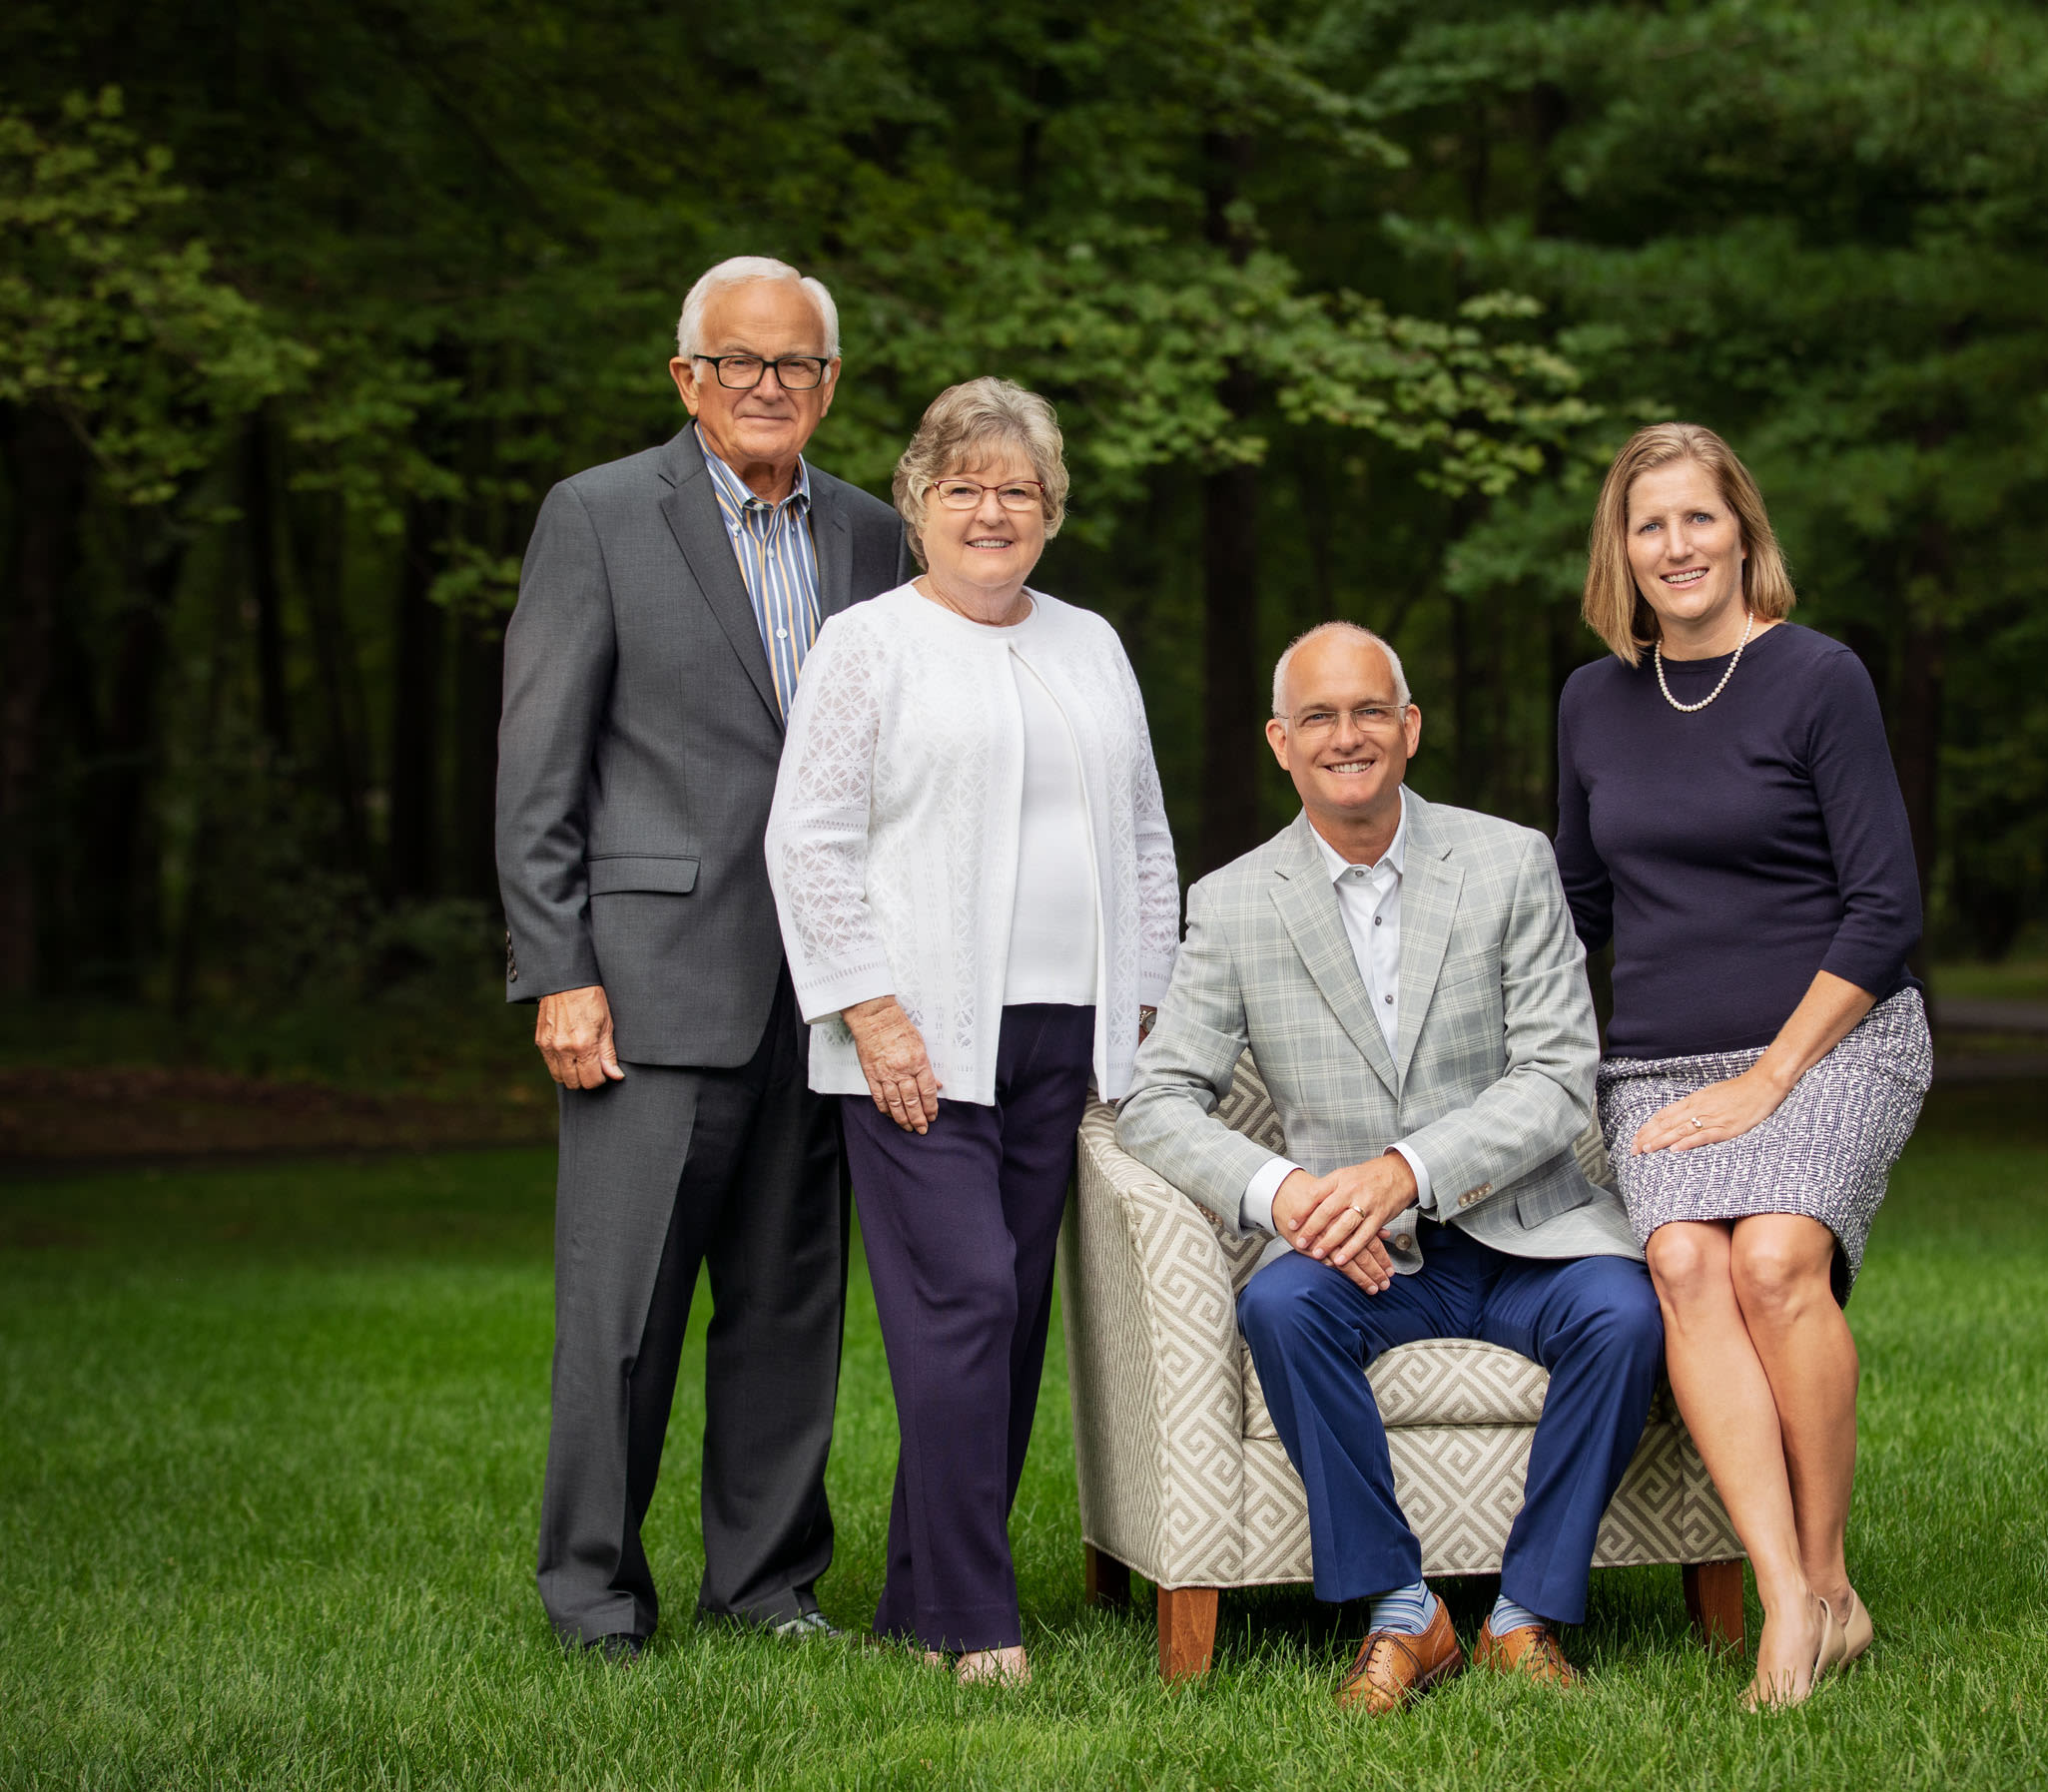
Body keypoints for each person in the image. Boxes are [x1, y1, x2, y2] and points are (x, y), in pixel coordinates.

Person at [1117, 622, 1662, 1714]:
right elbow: (1155, 1099)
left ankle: (1526, 1615)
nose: (1346, 734)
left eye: (1370, 710)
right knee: (1278, 1305)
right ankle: (1405, 1611)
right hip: (1356, 1258)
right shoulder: (1231, 901)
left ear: (1409, 728)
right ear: (1281, 741)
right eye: (1317, 716)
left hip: (1527, 1233)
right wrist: (1293, 1196)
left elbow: (1559, 1074)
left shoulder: (1509, 862)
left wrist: (1403, 1172)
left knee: (1627, 1313)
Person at [497, 257, 910, 1657]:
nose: (766, 387)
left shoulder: (872, 533)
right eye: (737, 362)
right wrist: (558, 964)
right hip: (650, 984)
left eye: (794, 365)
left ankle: (769, 1586)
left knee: (791, 1312)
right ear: (687, 376)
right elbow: (538, 763)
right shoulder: (600, 516)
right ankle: (595, 1599)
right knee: (620, 1324)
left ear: (830, 384)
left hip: (825, 993)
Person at [765, 375, 1178, 1686]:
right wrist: (870, 1009)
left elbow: (1146, 835)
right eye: (964, 487)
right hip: (920, 1038)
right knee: (967, 1301)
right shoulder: (867, 644)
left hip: (1070, 1038)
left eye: (1017, 490)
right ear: (917, 502)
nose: (990, 509)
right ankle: (972, 1618)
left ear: (1050, 513)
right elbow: (808, 837)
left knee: (1005, 1325)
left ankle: (917, 1592)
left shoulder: (1092, 641)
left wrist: (1151, 994)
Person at [1556, 421, 1930, 1709]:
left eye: (1697, 518)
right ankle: (1781, 1595)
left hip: (1832, 1039)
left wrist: (1771, 1077)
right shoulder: (1592, 699)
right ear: (1622, 550)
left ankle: (1830, 1582)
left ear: (1741, 529)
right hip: (1660, 1058)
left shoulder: (1820, 678)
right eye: (1648, 524)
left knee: (1775, 1257)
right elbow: (1577, 905)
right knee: (1682, 1259)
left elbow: (1884, 911)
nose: (1675, 545)